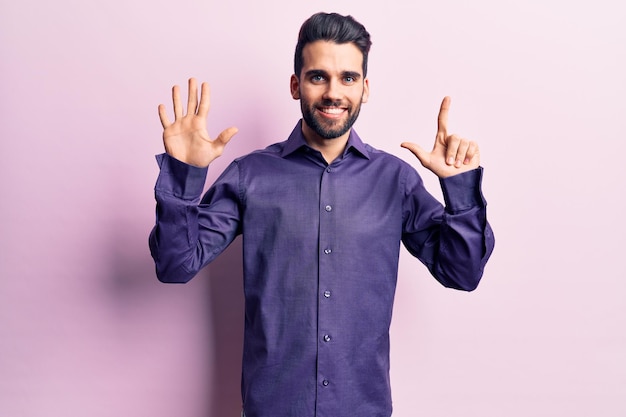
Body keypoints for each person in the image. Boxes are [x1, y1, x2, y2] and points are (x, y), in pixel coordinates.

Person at [149, 11, 494, 417]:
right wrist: (185, 176)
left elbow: (462, 272)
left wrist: (459, 191)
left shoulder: (395, 180)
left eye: (348, 78)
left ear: (365, 88)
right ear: (296, 85)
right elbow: (175, 264)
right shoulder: (251, 175)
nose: (334, 92)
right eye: (318, 77)